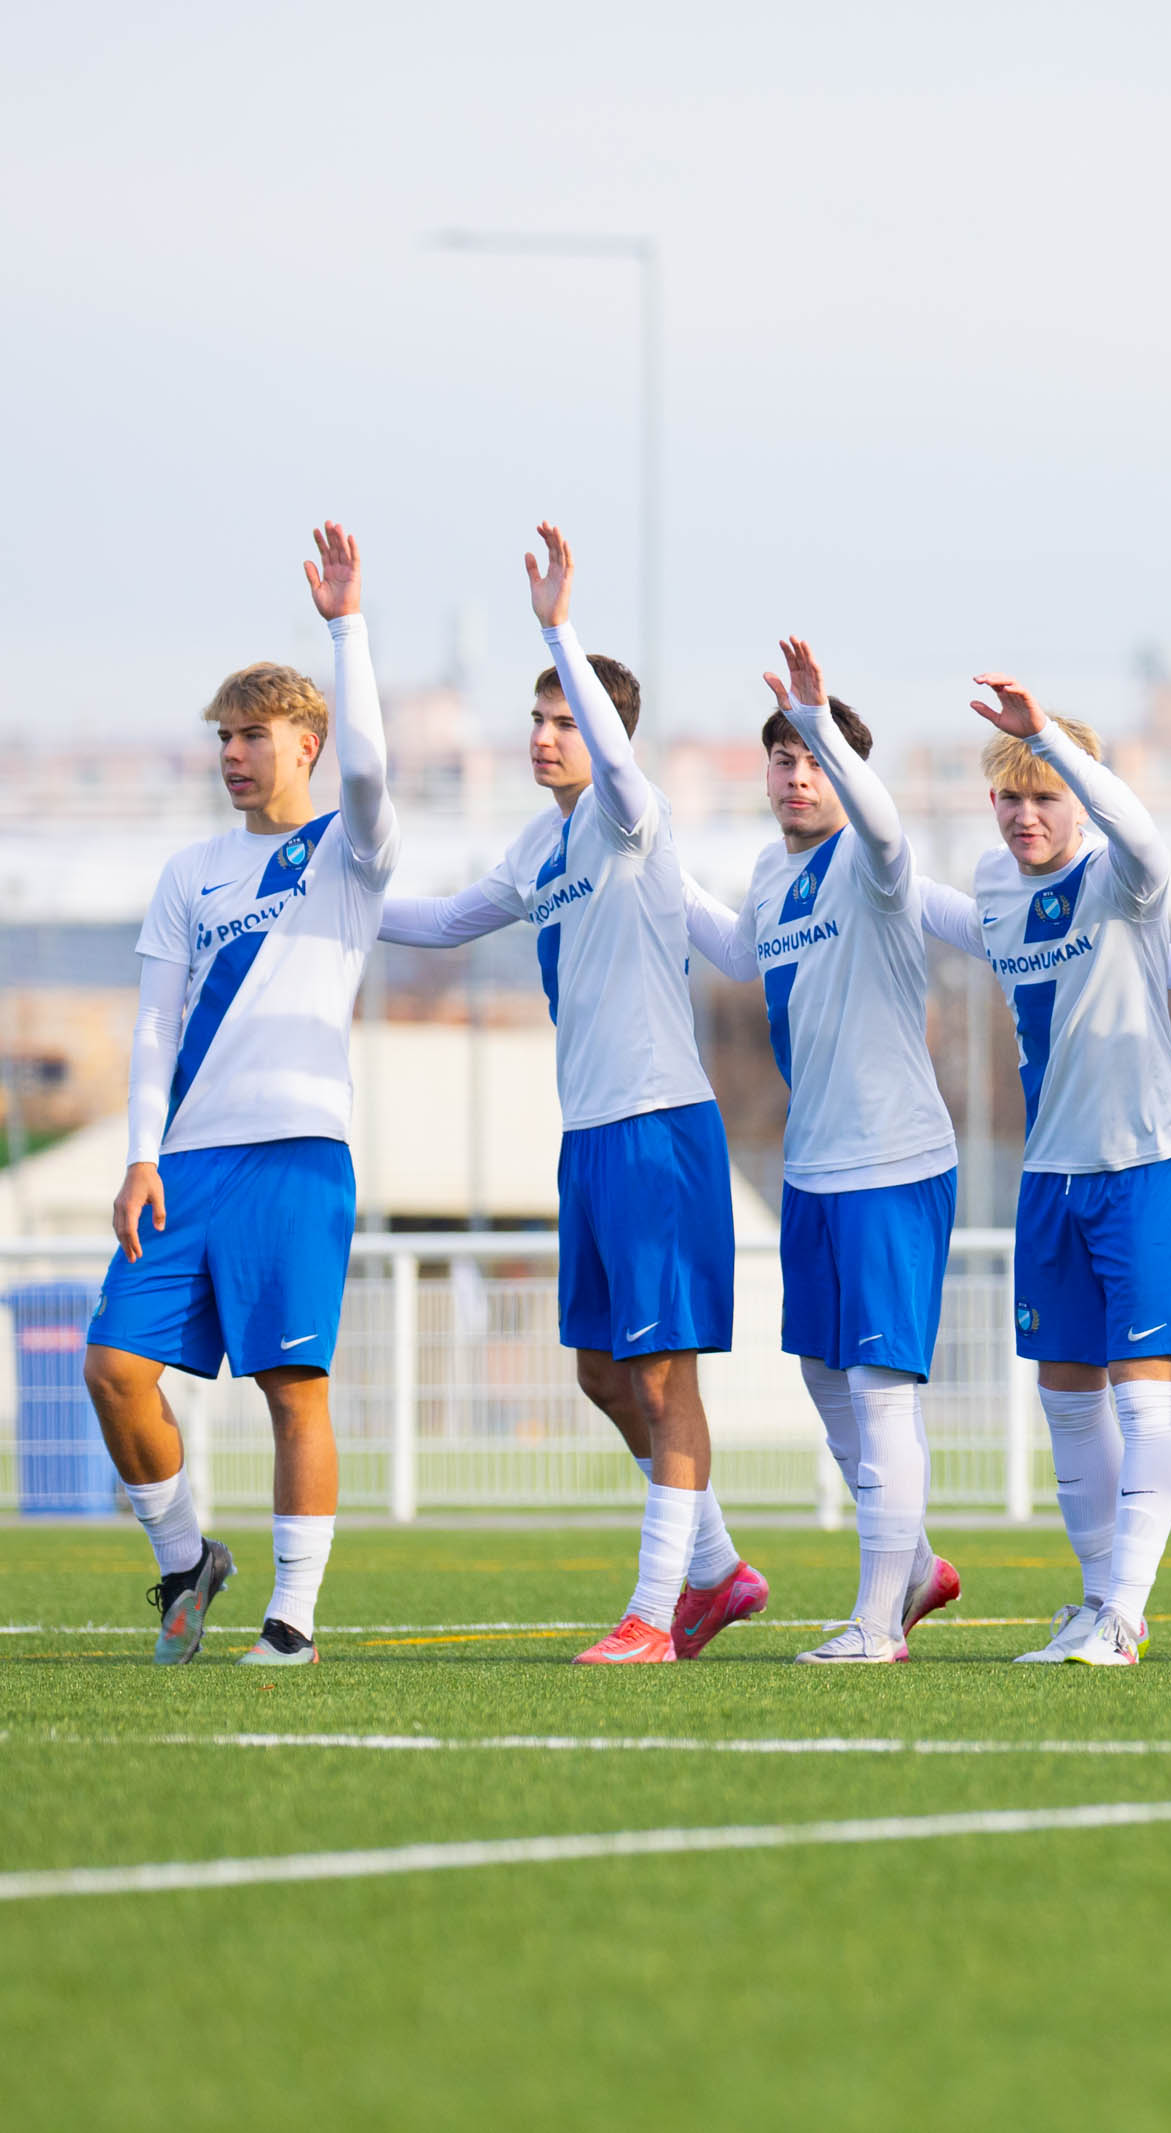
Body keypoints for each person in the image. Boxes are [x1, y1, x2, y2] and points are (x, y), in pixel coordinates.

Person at [376, 524, 765, 1663]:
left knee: (659, 1370)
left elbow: (625, 775)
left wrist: (559, 626)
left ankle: (655, 1612)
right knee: (600, 1372)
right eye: (537, 720)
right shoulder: (538, 851)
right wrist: (331, 898)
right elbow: (444, 922)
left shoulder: (632, 820)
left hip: (657, 1130)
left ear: (605, 738)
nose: (545, 740)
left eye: (565, 721)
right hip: (589, 1138)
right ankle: (715, 1568)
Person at [85, 523, 396, 1666]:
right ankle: (183, 1562)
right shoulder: (189, 873)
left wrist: (345, 624)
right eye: (223, 737)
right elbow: (156, 1022)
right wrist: (138, 1154)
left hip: (298, 1157)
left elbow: (370, 773)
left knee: (288, 1385)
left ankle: (292, 1620)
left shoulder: (353, 850)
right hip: (187, 1168)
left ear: (304, 744)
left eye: (252, 736)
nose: (232, 755)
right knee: (113, 1370)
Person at [683, 643, 961, 1663]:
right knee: (821, 1374)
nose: (795, 775)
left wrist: (827, 729)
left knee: (881, 1388)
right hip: (816, 1169)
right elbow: (741, 953)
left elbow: (883, 823)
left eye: (814, 759)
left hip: (894, 1164)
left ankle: (878, 1619)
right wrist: (651, 865)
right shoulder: (773, 870)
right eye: (781, 758)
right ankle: (916, 1562)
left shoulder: (874, 860)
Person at [917, 681, 1171, 1669]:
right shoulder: (994, 893)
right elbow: (894, 882)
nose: (1026, 815)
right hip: (1052, 1176)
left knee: (1144, 1397)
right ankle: (1095, 1601)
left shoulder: (1120, 878)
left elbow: (1144, 835)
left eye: (1044, 796)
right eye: (1009, 798)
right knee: (1065, 1394)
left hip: (1140, 1164)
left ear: (1078, 799)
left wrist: (1046, 738)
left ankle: (1125, 1611)